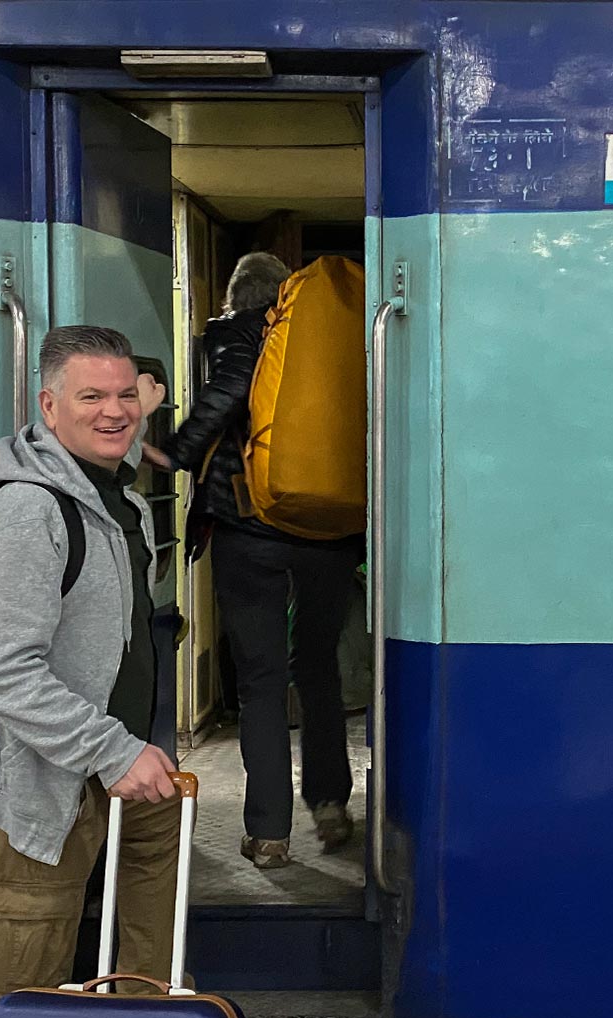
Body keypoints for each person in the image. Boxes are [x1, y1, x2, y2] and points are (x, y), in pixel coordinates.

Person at [0, 325, 183, 1018]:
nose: (115, 412)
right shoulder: (26, 511)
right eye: (91, 397)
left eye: (126, 394)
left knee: (148, 977)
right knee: (20, 999)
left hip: (122, 775)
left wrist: (133, 755)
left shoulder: (120, 501)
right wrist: (113, 750)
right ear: (48, 406)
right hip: (40, 788)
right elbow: (1, 669)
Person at [143, 253, 363, 870]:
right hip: (330, 529)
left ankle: (268, 834)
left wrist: (178, 451)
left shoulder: (239, 331)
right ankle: (329, 804)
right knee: (317, 670)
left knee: (262, 682)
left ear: (239, 298)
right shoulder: (336, 341)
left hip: (250, 528)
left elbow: (231, 390)